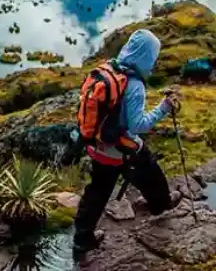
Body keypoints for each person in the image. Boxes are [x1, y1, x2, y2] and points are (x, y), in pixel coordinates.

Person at [72, 29, 182, 254]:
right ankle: (160, 206)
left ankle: (82, 239)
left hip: (97, 143)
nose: (155, 61)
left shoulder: (110, 69)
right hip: (120, 149)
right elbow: (138, 126)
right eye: (154, 56)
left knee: (97, 192)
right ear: (146, 55)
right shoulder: (135, 86)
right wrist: (164, 108)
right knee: (149, 171)